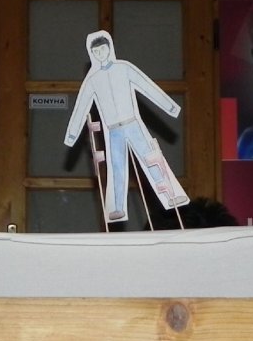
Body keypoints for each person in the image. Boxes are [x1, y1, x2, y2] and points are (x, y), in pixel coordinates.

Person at [64, 30, 188, 223]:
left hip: (133, 124)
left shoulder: (124, 68)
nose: (100, 54)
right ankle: (117, 208)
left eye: (102, 49)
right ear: (92, 54)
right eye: (96, 52)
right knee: (117, 167)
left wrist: (170, 106)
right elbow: (81, 107)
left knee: (152, 159)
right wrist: (72, 134)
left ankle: (171, 195)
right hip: (113, 130)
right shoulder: (92, 80)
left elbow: (147, 87)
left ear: (109, 48)